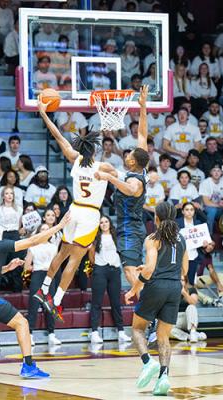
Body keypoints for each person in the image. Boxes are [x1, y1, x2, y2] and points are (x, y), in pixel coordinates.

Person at [33, 88, 143, 319]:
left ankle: (43, 290)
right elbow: (129, 177)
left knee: (61, 253)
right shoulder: (104, 168)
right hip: (90, 215)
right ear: (96, 150)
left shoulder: (75, 160)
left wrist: (44, 115)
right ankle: (57, 300)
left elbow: (59, 136)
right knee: (75, 259)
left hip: (73, 211)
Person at [0, 213, 69, 377]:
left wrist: (6, 268)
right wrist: (59, 227)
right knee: (21, 323)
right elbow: (32, 241)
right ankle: (29, 366)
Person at [86, 87, 151, 289]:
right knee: (133, 270)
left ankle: (147, 312)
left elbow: (130, 190)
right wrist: (142, 107)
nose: (127, 155)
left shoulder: (134, 182)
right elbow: (142, 133)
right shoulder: (140, 166)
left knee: (130, 271)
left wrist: (107, 178)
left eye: (129, 155)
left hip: (130, 229)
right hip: (129, 227)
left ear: (132, 163)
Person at [124, 202, 188, 396]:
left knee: (137, 328)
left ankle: (147, 362)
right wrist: (152, 266)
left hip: (156, 286)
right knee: (163, 337)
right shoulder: (182, 238)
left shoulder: (153, 238)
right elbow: (184, 269)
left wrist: (133, 289)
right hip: (175, 288)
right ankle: (164, 377)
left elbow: (151, 269)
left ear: (157, 218)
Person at [87, 216, 132, 344]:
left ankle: (121, 332)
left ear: (110, 223)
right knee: (97, 302)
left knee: (116, 302)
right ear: (98, 225)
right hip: (100, 270)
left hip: (115, 270)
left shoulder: (116, 236)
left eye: (106, 221)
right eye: (101, 222)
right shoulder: (95, 238)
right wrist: (97, 266)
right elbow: (91, 254)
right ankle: (94, 332)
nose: (104, 224)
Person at [24, 223, 62, 347]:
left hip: (50, 276)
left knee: (50, 306)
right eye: (43, 229)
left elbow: (57, 264)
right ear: (39, 232)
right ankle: (29, 335)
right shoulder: (33, 247)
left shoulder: (54, 247)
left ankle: (51, 334)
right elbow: (26, 266)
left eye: (48, 229)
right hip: (37, 275)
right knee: (33, 305)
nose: (46, 231)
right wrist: (35, 268)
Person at [171, 276, 207, 342]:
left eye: (182, 280)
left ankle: (193, 332)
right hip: (175, 318)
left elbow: (193, 302)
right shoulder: (170, 292)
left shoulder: (191, 290)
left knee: (191, 307)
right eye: (178, 280)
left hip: (187, 318)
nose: (180, 282)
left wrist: (184, 293)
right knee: (168, 330)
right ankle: (189, 337)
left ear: (185, 282)